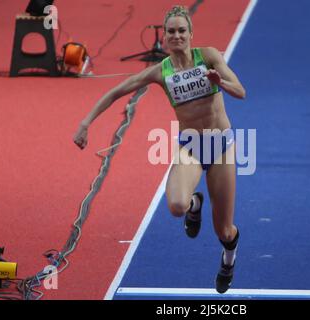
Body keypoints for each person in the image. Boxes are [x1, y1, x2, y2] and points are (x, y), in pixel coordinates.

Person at [73, 5, 246, 294]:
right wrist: (85, 122)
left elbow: (241, 91)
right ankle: (194, 205)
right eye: (171, 31)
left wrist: (220, 82)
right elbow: (118, 90)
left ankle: (228, 261)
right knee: (177, 205)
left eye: (181, 30)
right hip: (190, 147)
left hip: (220, 147)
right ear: (164, 37)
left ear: (191, 34)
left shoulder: (210, 56)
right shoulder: (160, 72)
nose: (176, 35)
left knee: (224, 231)